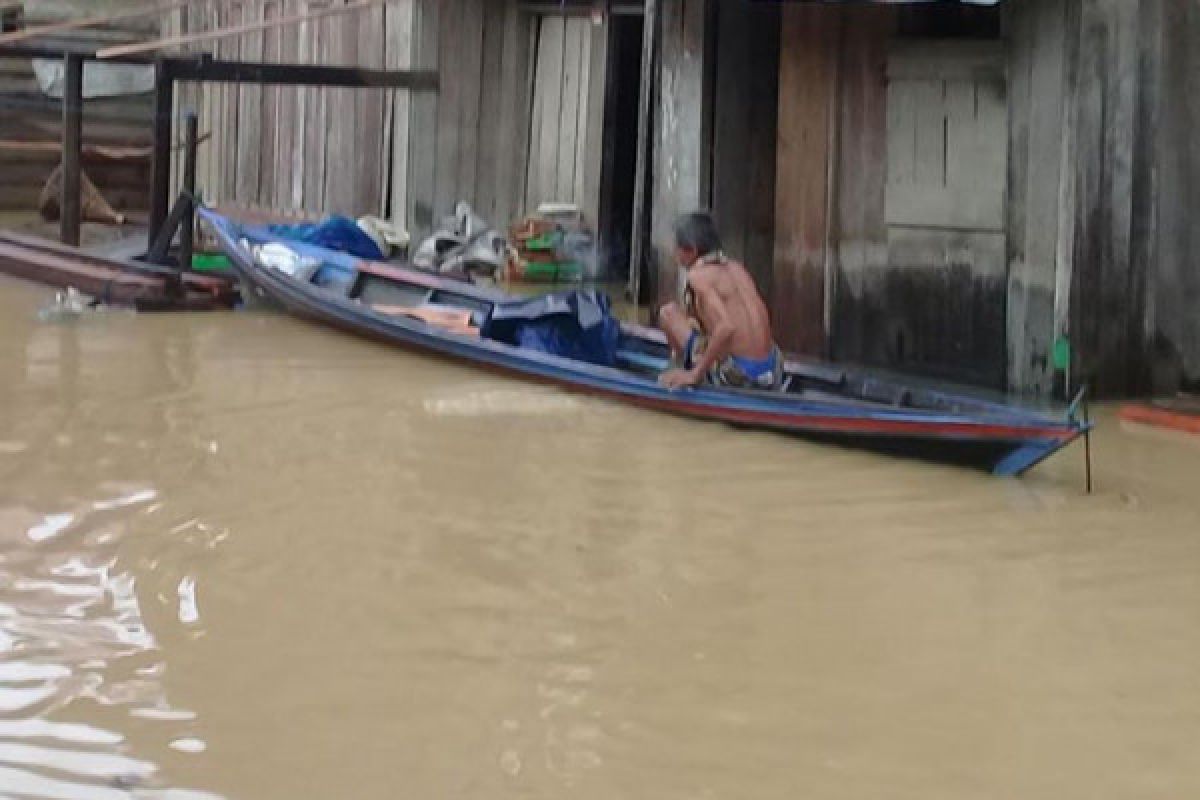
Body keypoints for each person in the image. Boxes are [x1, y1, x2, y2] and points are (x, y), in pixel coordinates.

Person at [657, 212, 783, 390]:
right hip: (773, 372)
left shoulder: (698, 276)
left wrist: (695, 374)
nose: (674, 253)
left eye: (677, 248)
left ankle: (682, 370)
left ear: (691, 251)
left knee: (668, 314)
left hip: (740, 376)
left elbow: (726, 327)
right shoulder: (737, 268)